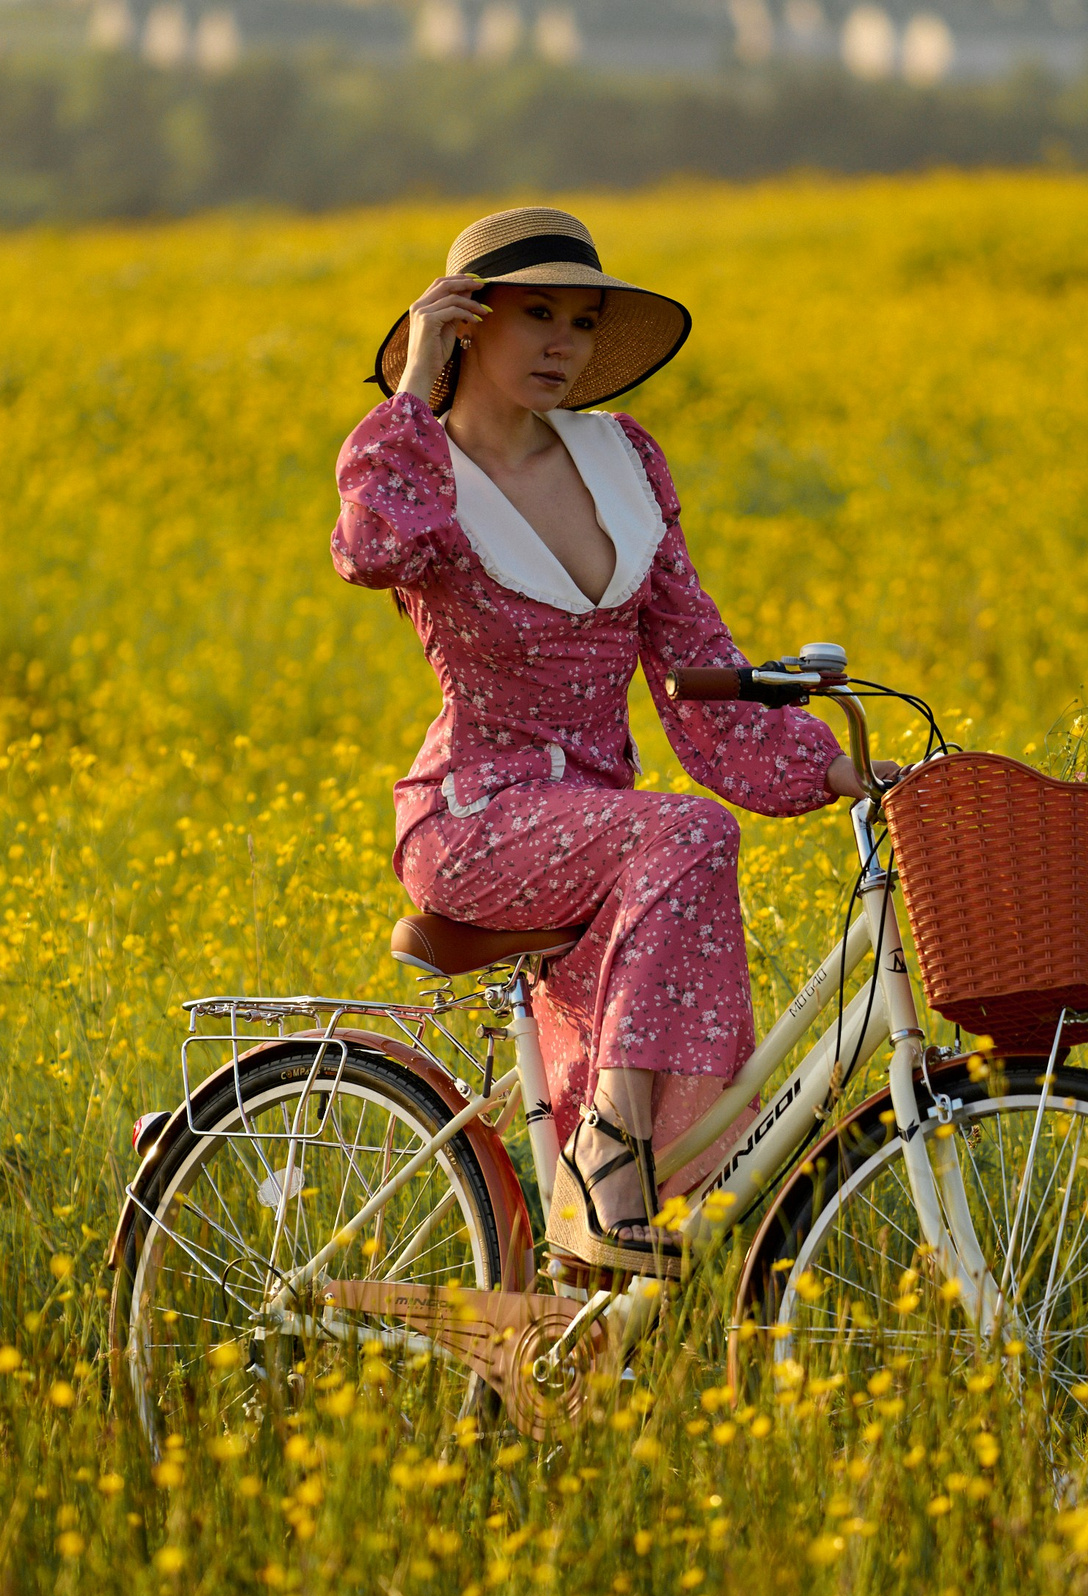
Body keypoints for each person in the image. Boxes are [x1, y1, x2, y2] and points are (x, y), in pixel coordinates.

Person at [328, 207, 884, 1278]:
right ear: (467, 323)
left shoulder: (623, 457)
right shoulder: (420, 469)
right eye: (536, 314)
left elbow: (693, 661)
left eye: (581, 322)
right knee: (686, 833)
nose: (563, 345)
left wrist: (831, 765)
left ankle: (607, 1250)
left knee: (675, 837)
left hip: (599, 827)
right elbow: (368, 549)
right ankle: (606, 1168)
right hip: (475, 817)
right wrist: (413, 390)